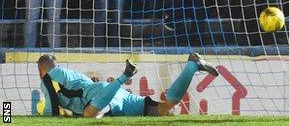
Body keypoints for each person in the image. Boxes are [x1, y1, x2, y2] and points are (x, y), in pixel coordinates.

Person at [37, 53, 218, 117]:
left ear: (41, 70)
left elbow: (51, 109)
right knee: (166, 109)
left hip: (97, 95)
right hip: (116, 96)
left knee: (89, 114)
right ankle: (192, 65)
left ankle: (125, 75)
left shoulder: (48, 78)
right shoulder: (66, 73)